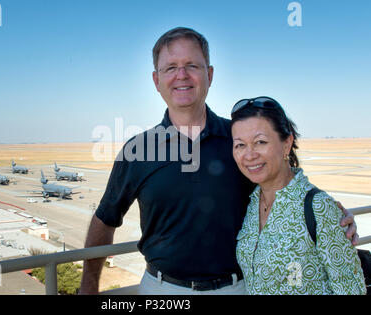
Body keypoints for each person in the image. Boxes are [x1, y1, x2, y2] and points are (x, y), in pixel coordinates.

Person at [79, 27, 357, 295]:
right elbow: (105, 219)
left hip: (238, 288)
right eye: (171, 67)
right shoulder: (138, 150)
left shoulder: (238, 140)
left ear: (209, 75)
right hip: (162, 289)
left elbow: (283, 186)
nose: (182, 75)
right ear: (156, 80)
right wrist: (89, 287)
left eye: (192, 65)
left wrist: (332, 218)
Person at [231, 96, 366, 294]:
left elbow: (351, 289)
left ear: (287, 144)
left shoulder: (319, 207)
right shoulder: (251, 204)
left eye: (260, 142)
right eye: (240, 145)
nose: (249, 155)